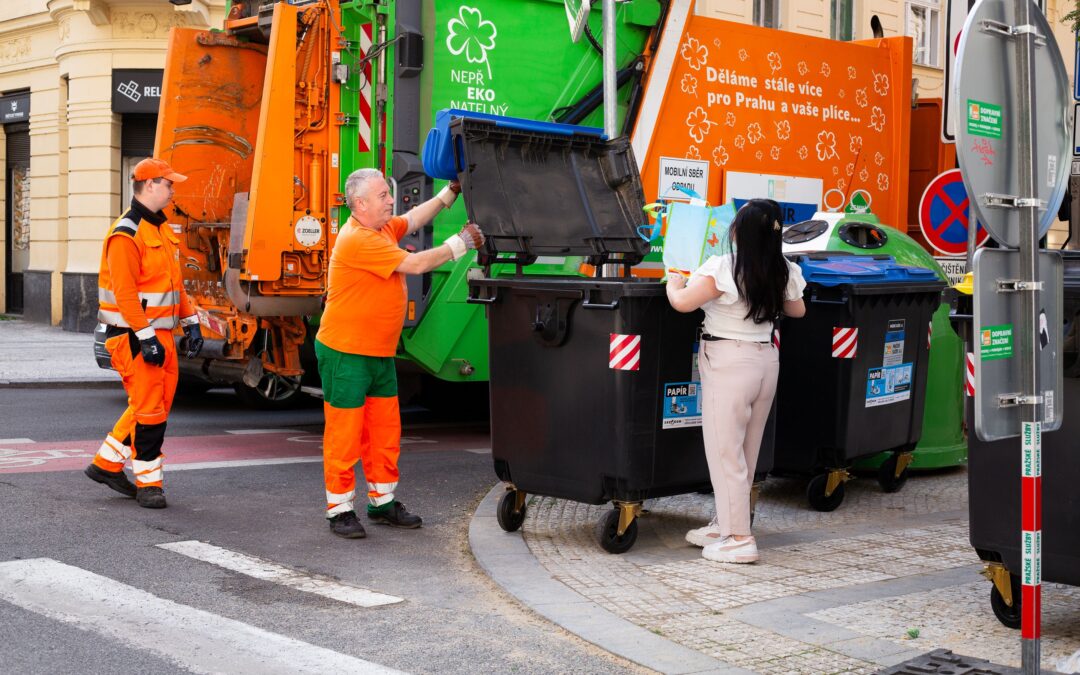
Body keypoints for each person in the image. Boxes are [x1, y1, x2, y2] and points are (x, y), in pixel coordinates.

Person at [317, 168, 484, 538]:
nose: (391, 200)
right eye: (382, 196)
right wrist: (462, 242)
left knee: (383, 431)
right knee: (345, 434)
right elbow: (417, 263)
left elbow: (412, 219)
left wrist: (449, 193)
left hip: (376, 351)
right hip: (346, 351)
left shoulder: (379, 228)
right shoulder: (358, 239)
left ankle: (381, 502)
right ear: (360, 203)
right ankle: (340, 509)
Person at [665, 199, 806, 563]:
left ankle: (739, 539)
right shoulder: (784, 270)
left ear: (738, 232)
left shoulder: (725, 267)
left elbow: (682, 302)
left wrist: (674, 280)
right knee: (746, 451)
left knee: (725, 453)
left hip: (728, 362)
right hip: (765, 361)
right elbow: (798, 309)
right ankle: (724, 524)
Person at [87, 158, 204, 509]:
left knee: (154, 405)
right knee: (151, 410)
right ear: (150, 185)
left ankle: (106, 465)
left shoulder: (160, 229)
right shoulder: (127, 233)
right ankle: (149, 484)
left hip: (158, 333)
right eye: (169, 184)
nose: (173, 189)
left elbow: (173, 285)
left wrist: (191, 320)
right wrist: (147, 336)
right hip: (133, 335)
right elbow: (124, 294)